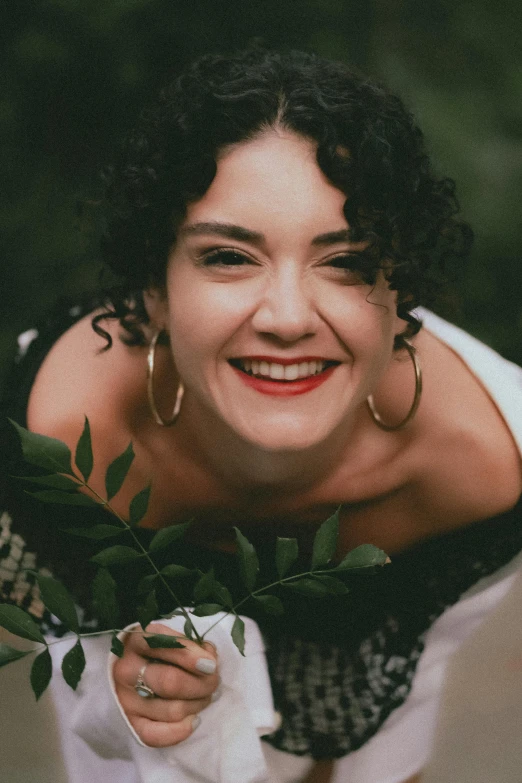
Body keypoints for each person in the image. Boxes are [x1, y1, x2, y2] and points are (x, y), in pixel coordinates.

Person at [1, 47, 521, 783]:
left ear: (400, 291)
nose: (285, 317)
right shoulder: (62, 442)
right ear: (156, 286)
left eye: (344, 261)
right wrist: (124, 696)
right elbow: (76, 677)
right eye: (228, 257)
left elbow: (402, 719)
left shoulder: (483, 466)